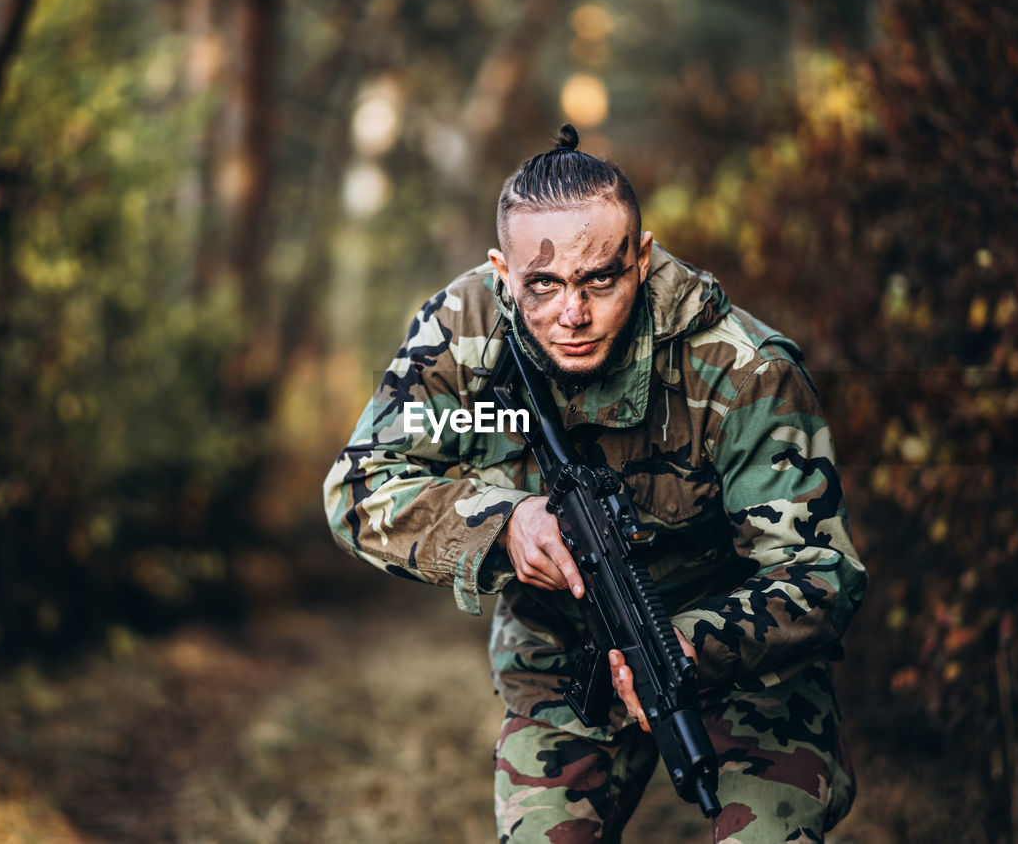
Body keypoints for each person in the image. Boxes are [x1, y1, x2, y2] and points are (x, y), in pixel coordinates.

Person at [323, 124, 867, 843]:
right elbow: (358, 485)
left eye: (599, 279)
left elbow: (822, 571)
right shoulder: (465, 333)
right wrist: (504, 524)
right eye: (541, 285)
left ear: (640, 260)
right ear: (499, 273)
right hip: (563, 656)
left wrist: (689, 646)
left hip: (740, 660)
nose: (571, 315)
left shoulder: (741, 369)